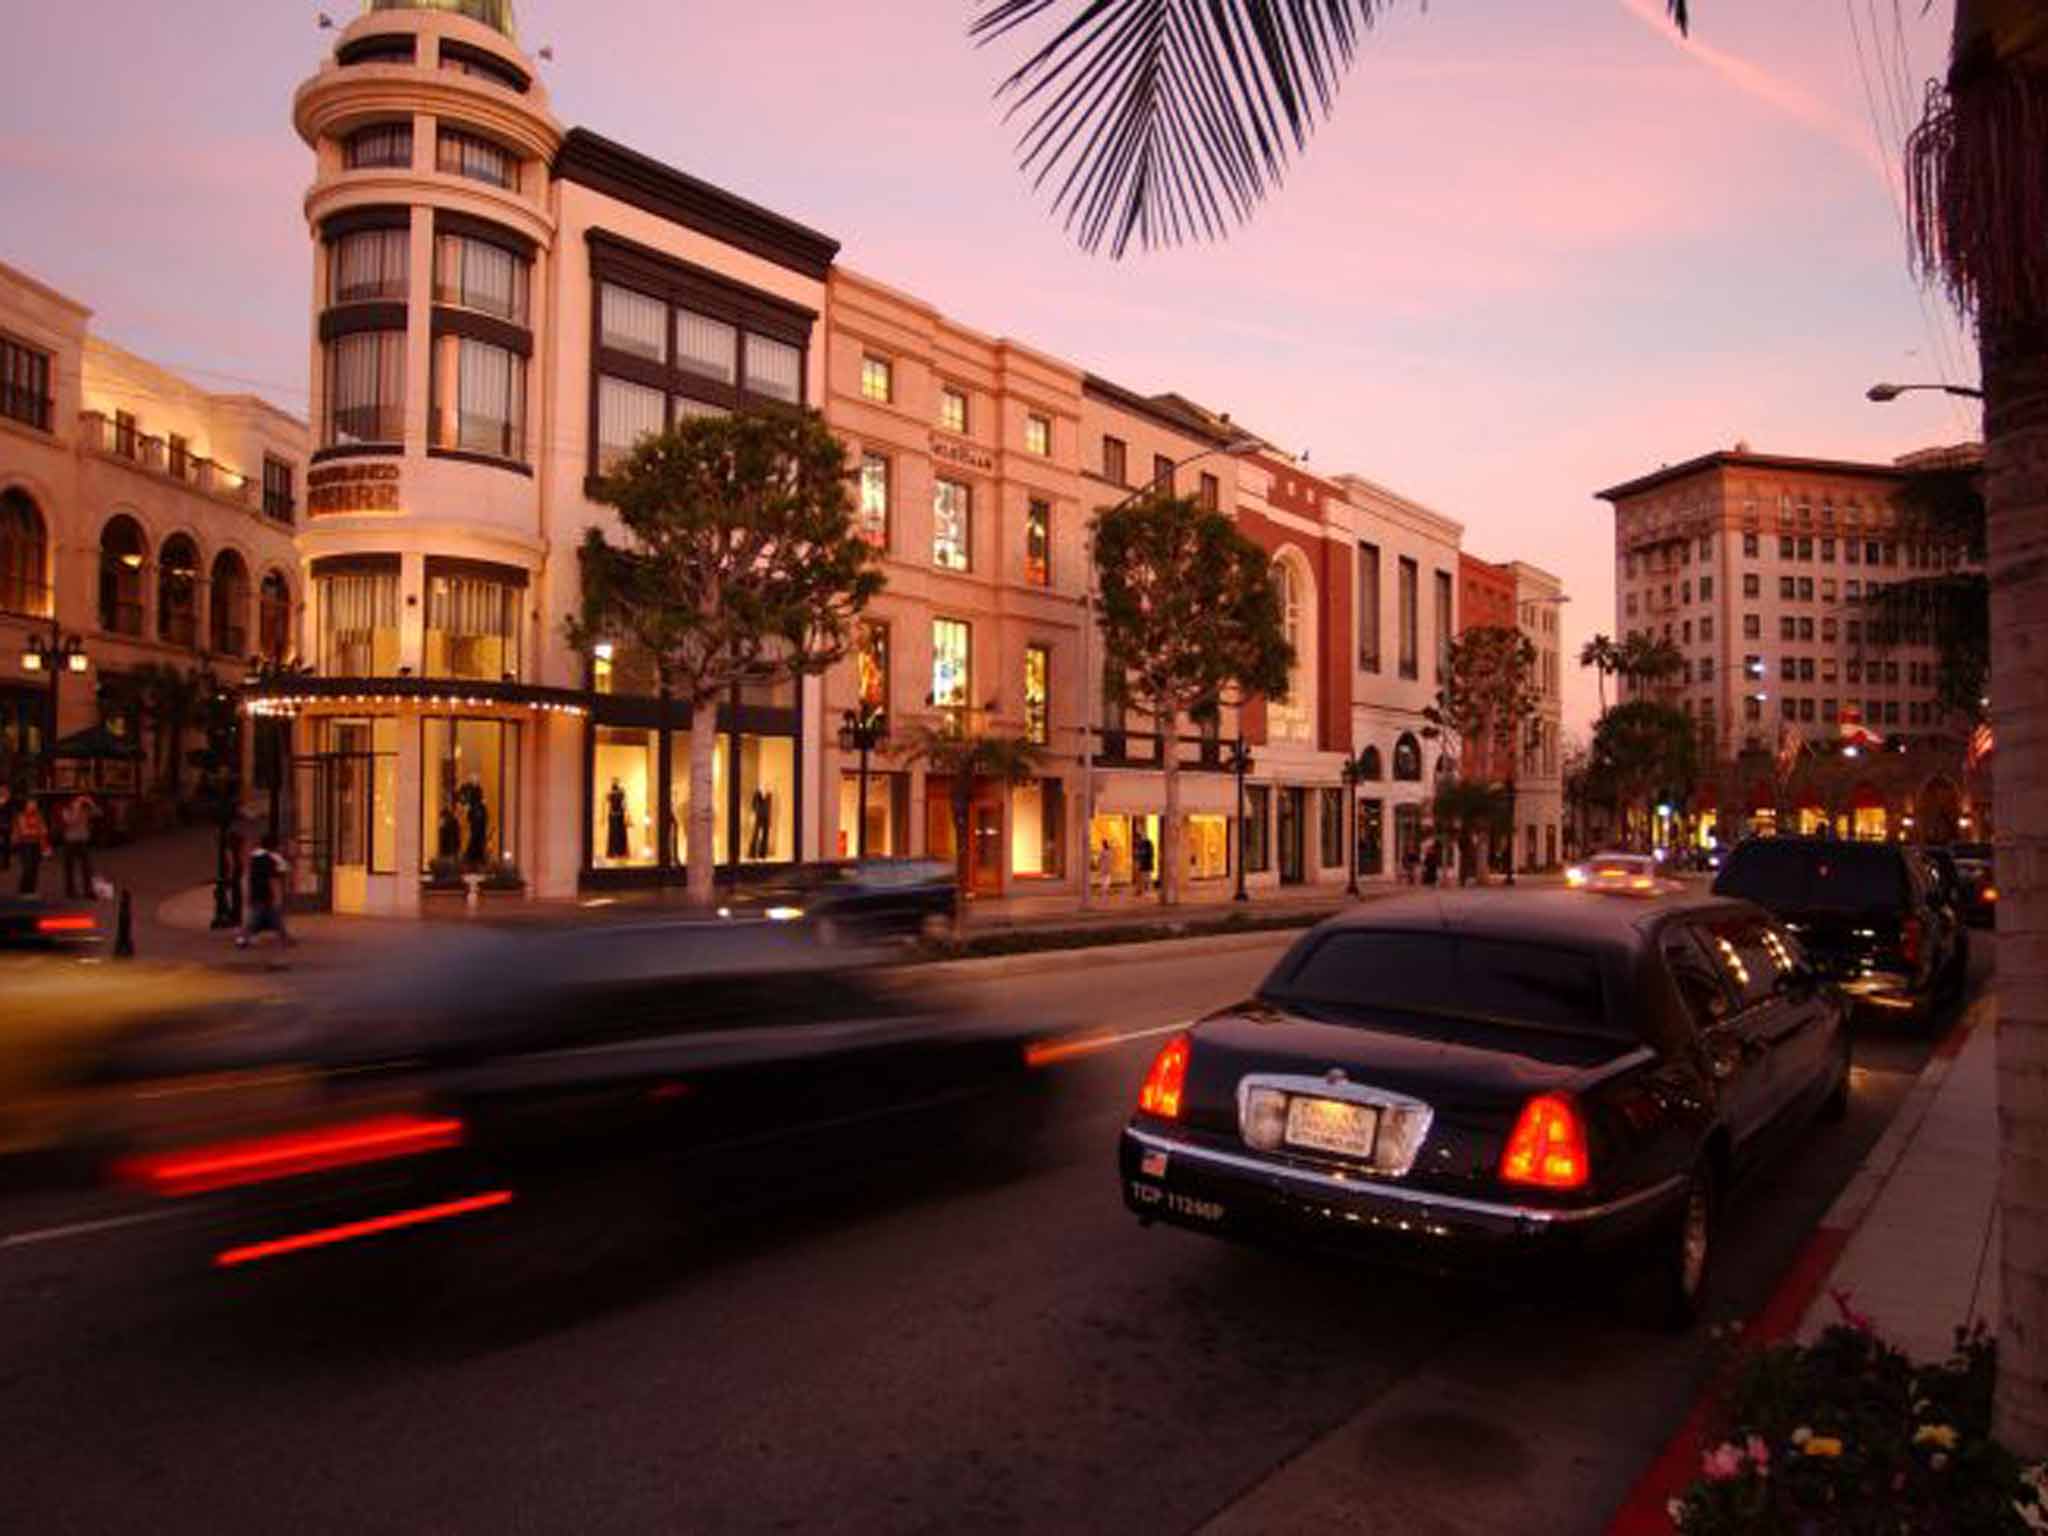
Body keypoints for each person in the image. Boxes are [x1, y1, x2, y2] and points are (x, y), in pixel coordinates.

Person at [236, 832, 293, 949]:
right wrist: (277, 896)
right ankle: (242, 939)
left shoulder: (255, 856)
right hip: (266, 893)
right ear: (275, 846)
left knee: (271, 918)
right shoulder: (271, 859)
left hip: (256, 890)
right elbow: (274, 878)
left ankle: (284, 937)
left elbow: (247, 867)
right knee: (257, 919)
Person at [58, 792, 97, 899]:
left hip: (82, 841)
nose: (80, 801)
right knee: (69, 868)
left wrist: (90, 802)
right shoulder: (66, 810)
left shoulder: (85, 809)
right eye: (77, 799)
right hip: (70, 842)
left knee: (87, 868)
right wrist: (76, 808)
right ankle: (70, 891)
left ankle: (88, 890)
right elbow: (71, 822)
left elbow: (98, 813)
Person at [14, 797, 49, 895]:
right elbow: (24, 831)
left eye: (35, 804)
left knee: (35, 867)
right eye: (31, 804)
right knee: (27, 867)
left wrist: (38, 832)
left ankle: (32, 890)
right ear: (26, 805)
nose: (33, 806)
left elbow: (44, 830)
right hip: (25, 845)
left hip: (36, 844)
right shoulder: (21, 816)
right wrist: (37, 831)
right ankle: (24, 890)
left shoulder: (38, 816)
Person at [1133, 828, 1155, 896]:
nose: (1137, 840)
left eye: (1137, 838)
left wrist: (1139, 854)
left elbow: (1148, 854)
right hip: (1143, 864)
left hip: (1146, 864)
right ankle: (1142, 891)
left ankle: (1148, 891)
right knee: (1144, 878)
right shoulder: (1142, 844)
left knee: (1147, 878)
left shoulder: (1146, 844)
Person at [0, 783, 13, 873]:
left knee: (6, 844)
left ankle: (6, 863)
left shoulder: (9, 802)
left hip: (5, 824)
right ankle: (4, 862)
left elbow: (9, 814)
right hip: (3, 823)